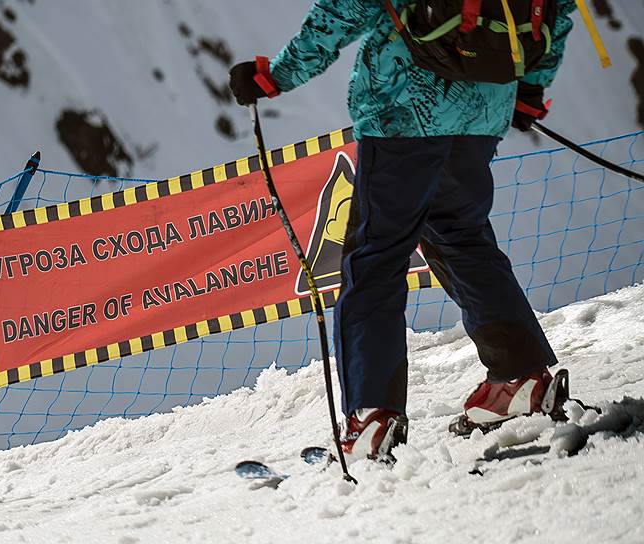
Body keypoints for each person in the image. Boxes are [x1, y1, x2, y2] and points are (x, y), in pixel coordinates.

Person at [229, 0, 577, 462]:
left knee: (375, 257)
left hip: (405, 110)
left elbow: (345, 9)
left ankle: (372, 417)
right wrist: (530, 88)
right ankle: (521, 380)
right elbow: (558, 7)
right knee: (461, 236)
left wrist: (275, 75)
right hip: (485, 106)